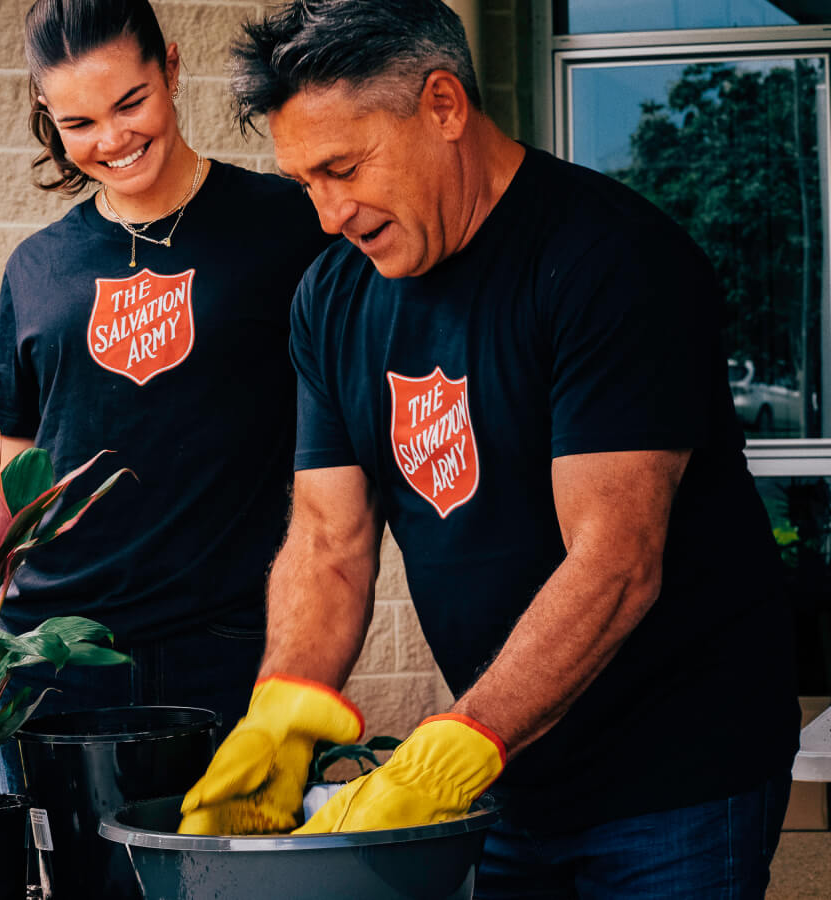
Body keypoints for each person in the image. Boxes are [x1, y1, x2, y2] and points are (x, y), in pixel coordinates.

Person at [177, 1, 802, 895]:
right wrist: (282, 705)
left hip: (677, 781)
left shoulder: (610, 260)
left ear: (442, 106)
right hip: (504, 779)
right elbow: (327, 541)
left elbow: (616, 561)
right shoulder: (331, 299)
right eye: (306, 180)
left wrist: (457, 748)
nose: (327, 214)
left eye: (343, 169)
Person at [0, 0, 334, 814]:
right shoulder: (37, 268)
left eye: (131, 103)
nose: (112, 139)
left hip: (227, 649)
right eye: (79, 121)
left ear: (171, 69)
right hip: (53, 661)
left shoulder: (288, 227)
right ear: (49, 121)